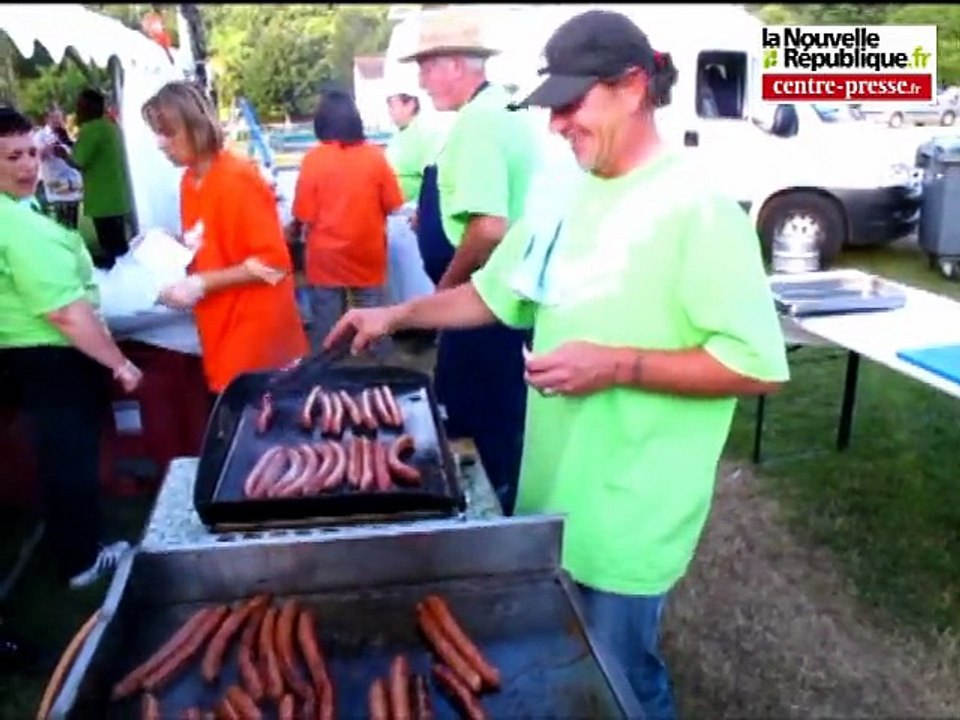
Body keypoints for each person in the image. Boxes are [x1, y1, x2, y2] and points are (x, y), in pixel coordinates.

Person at [325, 10, 791, 719]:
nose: (556, 125)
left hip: (632, 515)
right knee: (570, 677)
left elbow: (756, 365)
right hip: (556, 497)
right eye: (552, 107)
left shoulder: (699, 211)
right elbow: (496, 293)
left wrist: (618, 365)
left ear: (633, 87)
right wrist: (397, 315)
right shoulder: (567, 193)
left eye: (572, 104)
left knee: (623, 683)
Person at [401, 8, 541, 514]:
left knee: (475, 425)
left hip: (483, 303)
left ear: (457, 65)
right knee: (502, 417)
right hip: (506, 298)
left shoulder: (480, 123)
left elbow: (489, 226)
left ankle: (487, 520)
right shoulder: (501, 110)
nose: (420, 78)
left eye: (427, 66)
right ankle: (501, 502)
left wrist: (446, 292)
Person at [0, 106, 142, 591]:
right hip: (49, 356)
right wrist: (119, 363)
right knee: (70, 457)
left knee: (58, 455)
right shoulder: (14, 224)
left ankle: (70, 542)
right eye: (13, 157)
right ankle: (82, 559)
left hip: (30, 357)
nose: (27, 166)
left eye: (32, 153)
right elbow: (64, 311)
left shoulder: (18, 207)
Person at [141, 81, 308, 396]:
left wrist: (202, 284)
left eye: (168, 132)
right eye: (157, 133)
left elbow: (274, 267)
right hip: (219, 327)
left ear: (196, 127)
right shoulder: (190, 181)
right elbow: (211, 240)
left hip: (258, 337)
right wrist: (170, 244)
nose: (160, 143)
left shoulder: (237, 177)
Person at [285, 89, 404, 353]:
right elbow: (394, 204)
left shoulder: (314, 160)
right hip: (367, 252)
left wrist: (291, 233)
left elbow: (303, 215)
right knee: (374, 318)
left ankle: (324, 374)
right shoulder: (375, 157)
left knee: (326, 322)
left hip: (326, 258)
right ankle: (383, 374)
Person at [56, 89, 133, 267]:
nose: (77, 111)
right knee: (121, 247)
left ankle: (118, 281)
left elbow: (78, 161)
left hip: (102, 198)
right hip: (117, 195)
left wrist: (61, 154)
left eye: (79, 106)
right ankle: (128, 278)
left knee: (111, 248)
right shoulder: (110, 126)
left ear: (88, 108)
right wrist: (69, 142)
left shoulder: (91, 129)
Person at [384, 88, 441, 204]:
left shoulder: (424, 133)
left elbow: (431, 177)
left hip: (412, 209)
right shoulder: (397, 135)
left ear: (410, 105)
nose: (389, 111)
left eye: (392, 106)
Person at [34, 105, 82, 228]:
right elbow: (36, 155)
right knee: (62, 218)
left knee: (73, 215)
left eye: (60, 117)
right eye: (54, 117)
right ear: (47, 118)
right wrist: (50, 148)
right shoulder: (40, 136)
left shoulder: (65, 134)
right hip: (54, 180)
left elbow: (74, 152)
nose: (58, 120)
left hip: (72, 180)